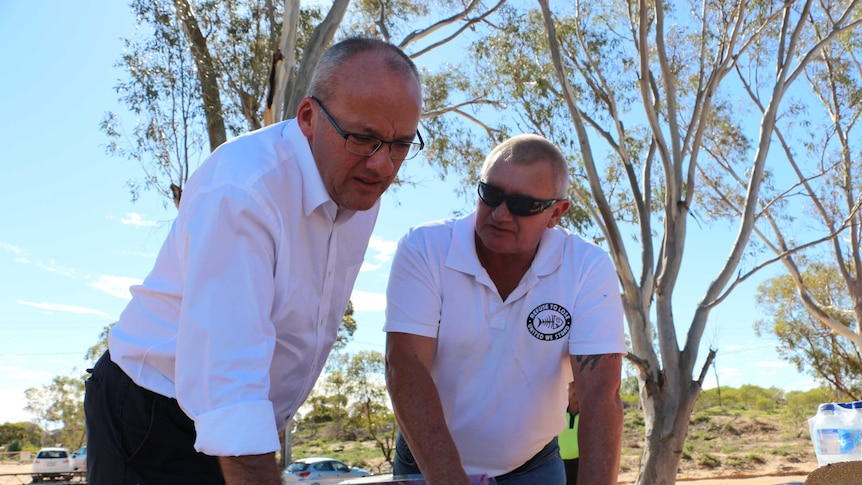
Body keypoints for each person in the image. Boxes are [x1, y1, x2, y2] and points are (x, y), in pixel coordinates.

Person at [83, 37, 424, 485]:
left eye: (400, 144)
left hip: (238, 416)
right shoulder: (244, 189)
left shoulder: (358, 186)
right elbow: (228, 382)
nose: (383, 166)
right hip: (152, 415)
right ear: (308, 118)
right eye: (363, 138)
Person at [384, 133, 627, 485]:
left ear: (556, 213)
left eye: (523, 205)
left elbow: (600, 394)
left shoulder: (586, 267)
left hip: (534, 468)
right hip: (424, 461)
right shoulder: (425, 249)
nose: (499, 214)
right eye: (491, 194)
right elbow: (405, 365)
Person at [559, 381, 580, 484]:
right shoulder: (558, 412)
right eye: (573, 386)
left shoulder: (589, 414)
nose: (576, 390)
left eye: (579, 386)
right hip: (558, 464)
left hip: (580, 465)